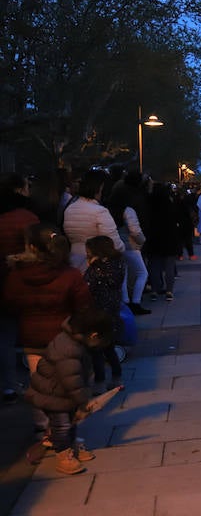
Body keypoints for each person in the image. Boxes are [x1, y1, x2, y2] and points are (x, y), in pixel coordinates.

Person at [3, 224, 93, 442]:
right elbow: (83, 306)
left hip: (32, 337)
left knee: (39, 385)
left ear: (32, 247)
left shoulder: (16, 275)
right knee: (68, 384)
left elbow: (9, 303)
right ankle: (64, 430)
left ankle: (44, 428)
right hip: (64, 338)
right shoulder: (70, 274)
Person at [24, 308, 114, 474]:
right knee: (62, 426)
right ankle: (63, 455)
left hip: (62, 394)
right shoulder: (68, 349)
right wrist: (83, 402)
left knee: (71, 422)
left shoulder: (75, 342)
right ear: (93, 335)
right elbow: (72, 381)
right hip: (52, 395)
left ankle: (71, 447)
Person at [0, 173, 39, 403]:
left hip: (4, 283)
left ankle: (8, 385)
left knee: (5, 336)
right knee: (28, 334)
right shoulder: (26, 218)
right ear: (19, 190)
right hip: (22, 283)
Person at [83, 236, 125, 393]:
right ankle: (117, 378)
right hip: (112, 311)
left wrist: (92, 266)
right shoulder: (118, 264)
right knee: (109, 347)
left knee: (95, 350)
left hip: (96, 312)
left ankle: (99, 381)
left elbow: (87, 288)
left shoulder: (96, 269)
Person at [62, 169, 125, 272]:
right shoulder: (100, 212)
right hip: (95, 265)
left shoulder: (70, 209)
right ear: (101, 187)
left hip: (74, 262)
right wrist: (123, 248)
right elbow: (114, 243)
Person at [106, 181, 151, 315]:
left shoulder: (108, 210)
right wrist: (142, 241)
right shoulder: (128, 210)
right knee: (142, 273)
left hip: (115, 244)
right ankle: (136, 302)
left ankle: (125, 301)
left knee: (123, 274)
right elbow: (135, 230)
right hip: (130, 245)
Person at [143, 183, 181, 301]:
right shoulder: (170, 204)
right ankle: (169, 291)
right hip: (169, 237)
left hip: (154, 237)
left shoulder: (149, 204)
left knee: (154, 265)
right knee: (169, 266)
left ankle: (154, 290)